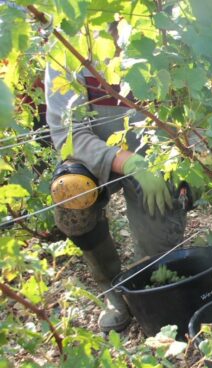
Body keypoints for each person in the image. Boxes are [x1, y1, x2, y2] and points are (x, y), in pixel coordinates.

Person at [45, 24, 188, 333]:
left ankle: (141, 273)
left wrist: (173, 163)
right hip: (93, 157)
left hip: (153, 153)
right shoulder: (66, 45)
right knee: (71, 193)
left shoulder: (160, 28)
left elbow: (186, 111)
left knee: (158, 250)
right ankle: (110, 285)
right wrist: (129, 162)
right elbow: (68, 133)